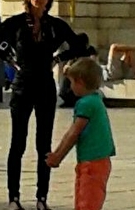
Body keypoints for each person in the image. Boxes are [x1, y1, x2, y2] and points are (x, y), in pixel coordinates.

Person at [0, 0, 83, 210]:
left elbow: (79, 44)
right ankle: (13, 198)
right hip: (22, 86)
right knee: (18, 143)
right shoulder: (17, 23)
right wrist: (9, 57)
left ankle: (41, 198)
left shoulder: (54, 25)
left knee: (43, 144)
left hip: (45, 86)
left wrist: (60, 58)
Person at [45, 57, 115, 210]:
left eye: (71, 82)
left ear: (80, 82)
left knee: (87, 203)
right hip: (98, 161)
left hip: (92, 162)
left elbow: (73, 133)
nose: (70, 87)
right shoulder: (95, 99)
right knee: (86, 199)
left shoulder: (85, 104)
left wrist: (57, 157)